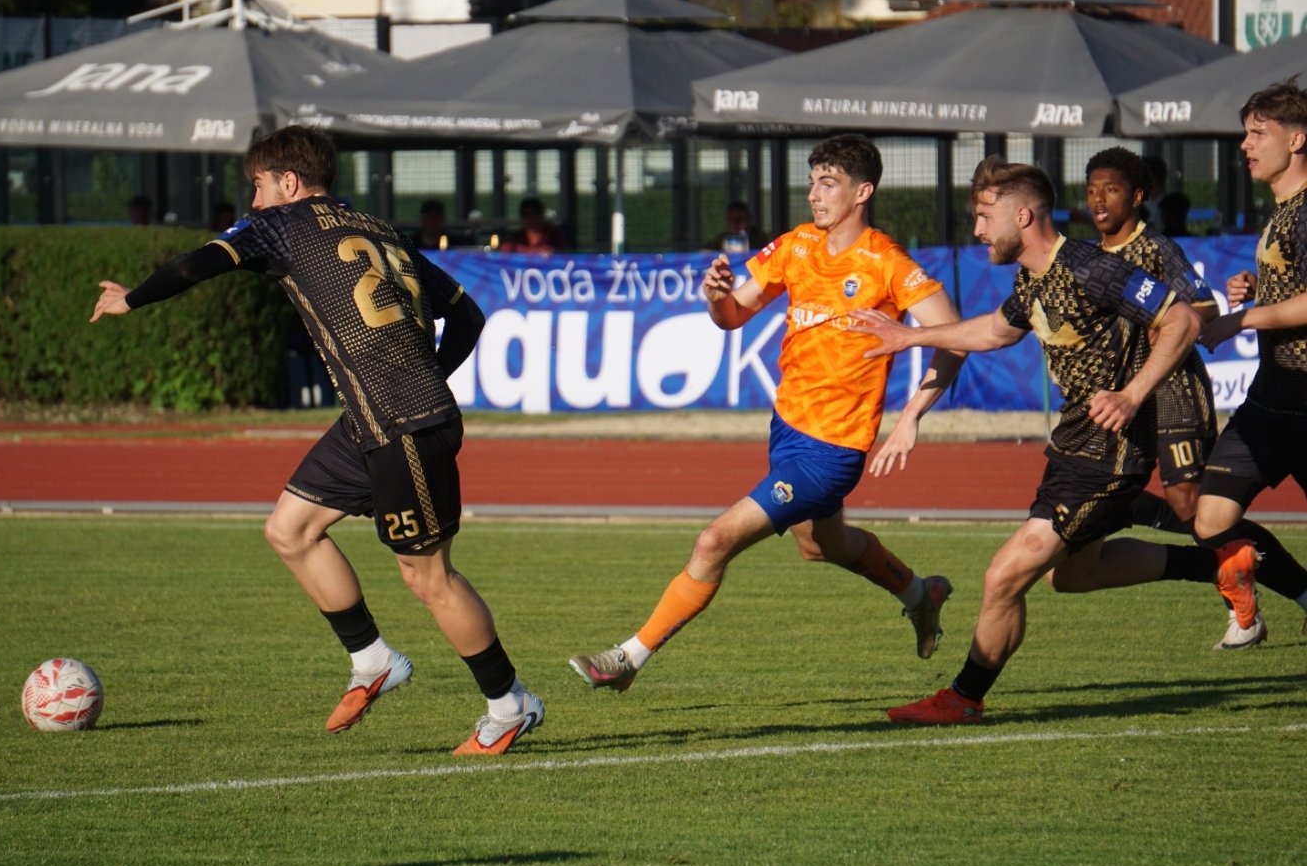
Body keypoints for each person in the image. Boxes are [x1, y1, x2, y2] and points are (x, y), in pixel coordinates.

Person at [90, 126, 543, 756]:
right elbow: (467, 315)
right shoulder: (379, 229)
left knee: (429, 578)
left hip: (404, 424)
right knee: (290, 530)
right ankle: (373, 660)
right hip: (376, 416)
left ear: (289, 182)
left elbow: (195, 264)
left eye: (257, 186)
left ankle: (509, 703)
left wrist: (132, 299)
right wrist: (427, 375)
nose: (253, 201)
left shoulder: (280, 225)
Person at [851, 155, 1255, 725]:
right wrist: (908, 337)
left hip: (1109, 454)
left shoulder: (1092, 267)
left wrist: (1132, 395)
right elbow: (995, 331)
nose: (977, 230)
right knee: (1072, 575)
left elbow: (1184, 320)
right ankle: (1215, 565)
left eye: (985, 216)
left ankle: (963, 697)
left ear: (1022, 215)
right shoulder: (1033, 278)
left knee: (1003, 575)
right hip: (1072, 448)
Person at [568, 134, 967, 693]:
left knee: (714, 541)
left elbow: (955, 337)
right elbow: (733, 316)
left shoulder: (887, 263)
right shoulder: (796, 245)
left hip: (832, 450)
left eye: (828, 183)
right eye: (812, 182)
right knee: (821, 545)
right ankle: (921, 594)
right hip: (787, 430)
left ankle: (628, 658)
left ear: (862, 192)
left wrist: (911, 417)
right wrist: (716, 296)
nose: (814, 194)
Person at [1069, 146, 1307, 649]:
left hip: (1174, 389)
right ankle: (1234, 566)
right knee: (1123, 494)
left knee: (1190, 503)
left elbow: (1203, 306)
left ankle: (1245, 608)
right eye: (1091, 191)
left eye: (1110, 190)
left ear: (1137, 196)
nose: (1099, 200)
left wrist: (1172, 327)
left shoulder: (1157, 249)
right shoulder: (1086, 257)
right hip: (1121, 397)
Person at [1197, 78, 1307, 638]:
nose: (1245, 144)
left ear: (1297, 140)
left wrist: (1241, 319)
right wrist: (1256, 288)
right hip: (1271, 400)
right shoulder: (1283, 210)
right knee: (1211, 518)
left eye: (1258, 133)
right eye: (1245, 133)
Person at [498, 196, 565, 254]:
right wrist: (537, 251)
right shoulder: (516, 237)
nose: (529, 218)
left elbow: (562, 253)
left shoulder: (553, 235)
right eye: (525, 214)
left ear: (541, 215)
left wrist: (551, 252)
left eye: (533, 214)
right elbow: (505, 250)